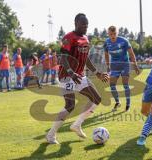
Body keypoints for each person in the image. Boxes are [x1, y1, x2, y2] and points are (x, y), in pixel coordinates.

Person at [46, 13, 108, 144]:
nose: (85, 27)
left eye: (87, 25)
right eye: (82, 25)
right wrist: (71, 73)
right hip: (66, 76)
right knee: (70, 105)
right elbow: (62, 58)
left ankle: (77, 125)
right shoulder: (68, 37)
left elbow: (86, 59)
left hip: (80, 76)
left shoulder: (86, 38)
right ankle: (51, 135)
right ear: (76, 23)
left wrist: (97, 73)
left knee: (96, 98)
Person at [104, 26, 140, 112]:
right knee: (112, 85)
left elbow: (131, 53)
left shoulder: (124, 41)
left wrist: (135, 65)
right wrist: (108, 65)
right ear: (108, 34)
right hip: (114, 65)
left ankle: (128, 105)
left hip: (124, 64)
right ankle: (117, 102)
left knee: (125, 84)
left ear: (117, 33)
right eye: (111, 34)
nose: (113, 36)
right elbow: (106, 54)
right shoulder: (106, 42)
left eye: (114, 34)